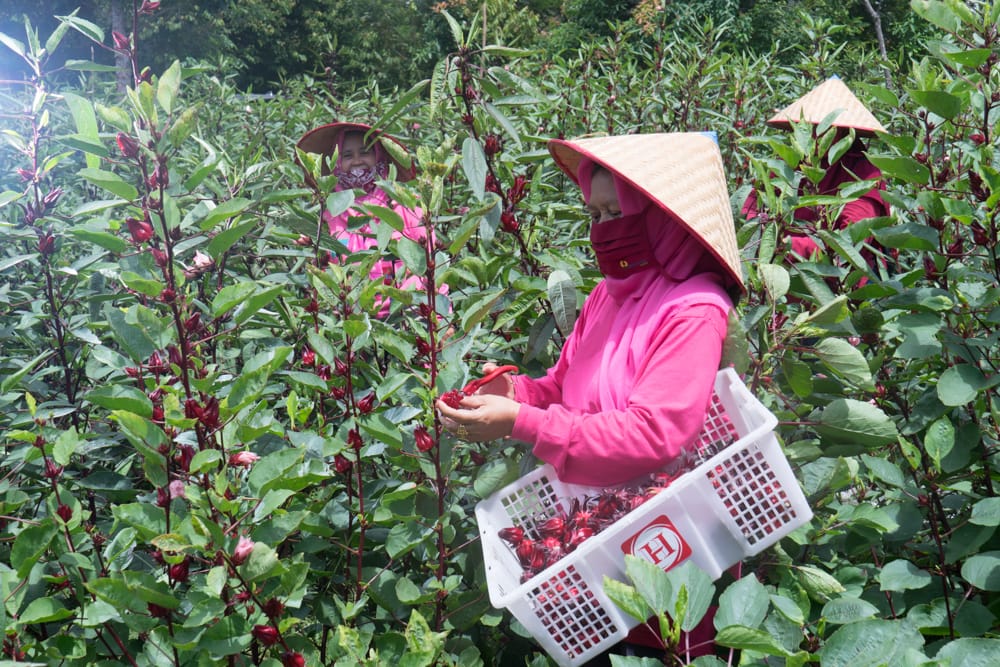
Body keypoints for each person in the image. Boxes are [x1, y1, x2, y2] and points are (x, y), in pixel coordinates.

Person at [436, 132, 744, 488]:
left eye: (617, 212)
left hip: (667, 518)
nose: (604, 229)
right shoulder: (608, 294)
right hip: (603, 505)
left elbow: (653, 436)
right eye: (595, 214)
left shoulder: (694, 312)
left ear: (666, 218)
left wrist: (521, 421)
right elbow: (563, 386)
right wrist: (515, 394)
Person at [741, 76, 890, 269]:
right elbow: (752, 209)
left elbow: (851, 242)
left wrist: (784, 245)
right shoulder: (787, 163)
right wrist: (760, 235)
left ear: (843, 133)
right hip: (781, 275)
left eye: (822, 129)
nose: (811, 135)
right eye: (806, 128)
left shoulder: (864, 172)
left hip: (842, 283)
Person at [295, 121, 431, 317]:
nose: (357, 160)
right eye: (347, 155)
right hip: (350, 322)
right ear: (338, 163)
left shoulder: (406, 205)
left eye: (365, 152)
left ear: (379, 156)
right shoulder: (329, 213)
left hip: (407, 317)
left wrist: (440, 321)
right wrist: (308, 244)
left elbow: (431, 262)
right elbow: (321, 273)